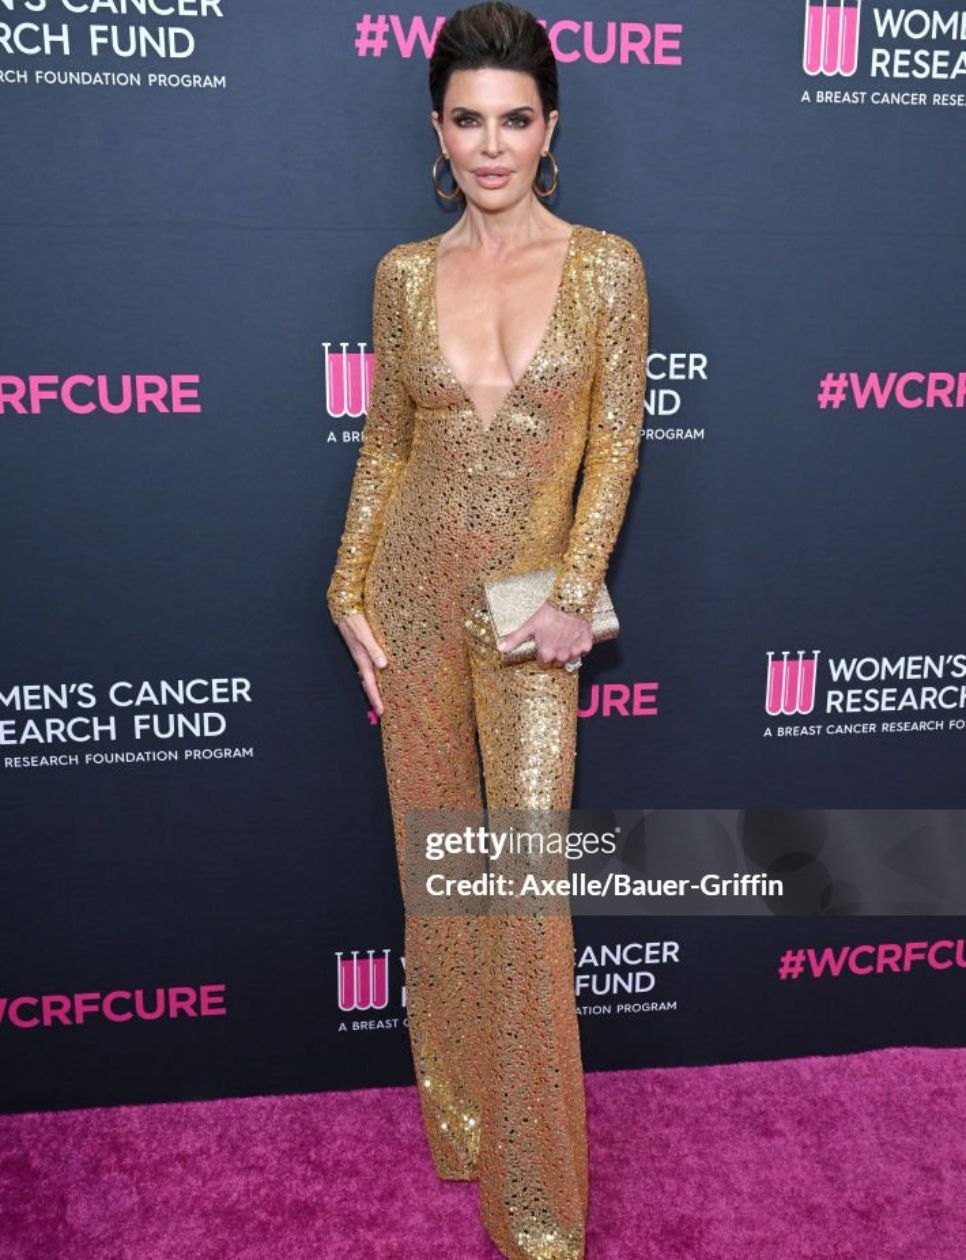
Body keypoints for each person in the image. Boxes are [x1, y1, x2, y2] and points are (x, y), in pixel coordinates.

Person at [326, 4, 649, 1257]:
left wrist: (575, 590)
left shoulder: (607, 266)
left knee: (520, 890)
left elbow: (613, 444)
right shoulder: (404, 274)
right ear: (439, 131)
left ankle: (538, 1206)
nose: (493, 144)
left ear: (552, 126)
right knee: (439, 878)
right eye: (470, 119)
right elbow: (387, 444)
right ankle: (459, 1117)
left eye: (516, 118)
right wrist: (346, 586)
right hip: (407, 595)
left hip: (529, 613)